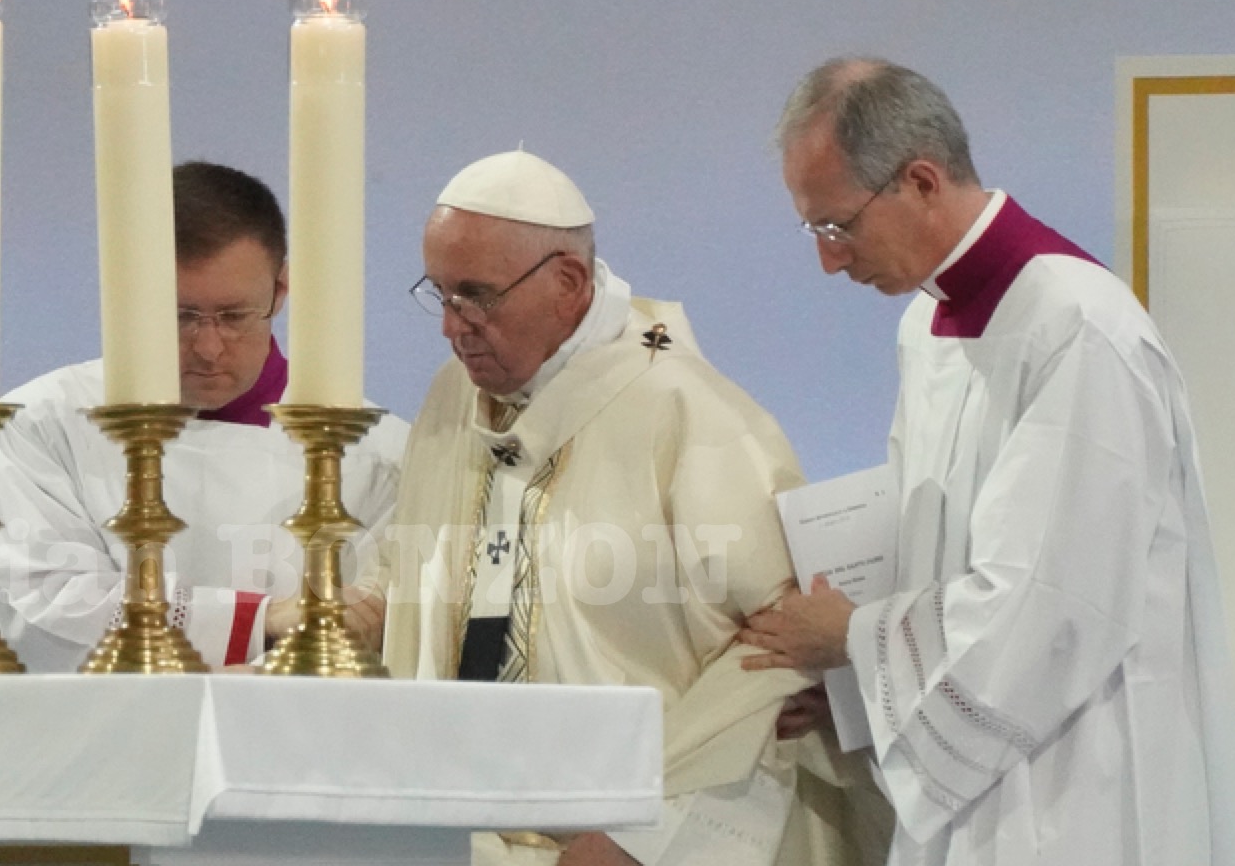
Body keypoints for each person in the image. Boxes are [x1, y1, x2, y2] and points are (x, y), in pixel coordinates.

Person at [746, 57, 1235, 865]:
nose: (830, 261)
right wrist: (854, 688)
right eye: (816, 232)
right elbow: (924, 555)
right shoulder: (927, 326)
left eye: (837, 226)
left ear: (920, 181)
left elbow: (1051, 606)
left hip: (1074, 781)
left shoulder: (1077, 327)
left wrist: (856, 639)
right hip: (976, 781)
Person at [379, 150, 885, 866]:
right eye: (440, 294)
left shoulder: (689, 413)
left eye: (477, 296)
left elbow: (778, 653)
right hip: (458, 831)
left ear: (568, 283)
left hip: (633, 844)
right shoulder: (451, 397)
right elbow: (422, 572)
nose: (451, 326)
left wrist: (639, 835)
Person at [0, 161, 409, 671]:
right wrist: (258, 621)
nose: (208, 347)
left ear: (280, 290)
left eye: (233, 316)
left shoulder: (376, 448)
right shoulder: (45, 423)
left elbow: (376, 628)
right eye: (181, 315)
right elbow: (48, 597)